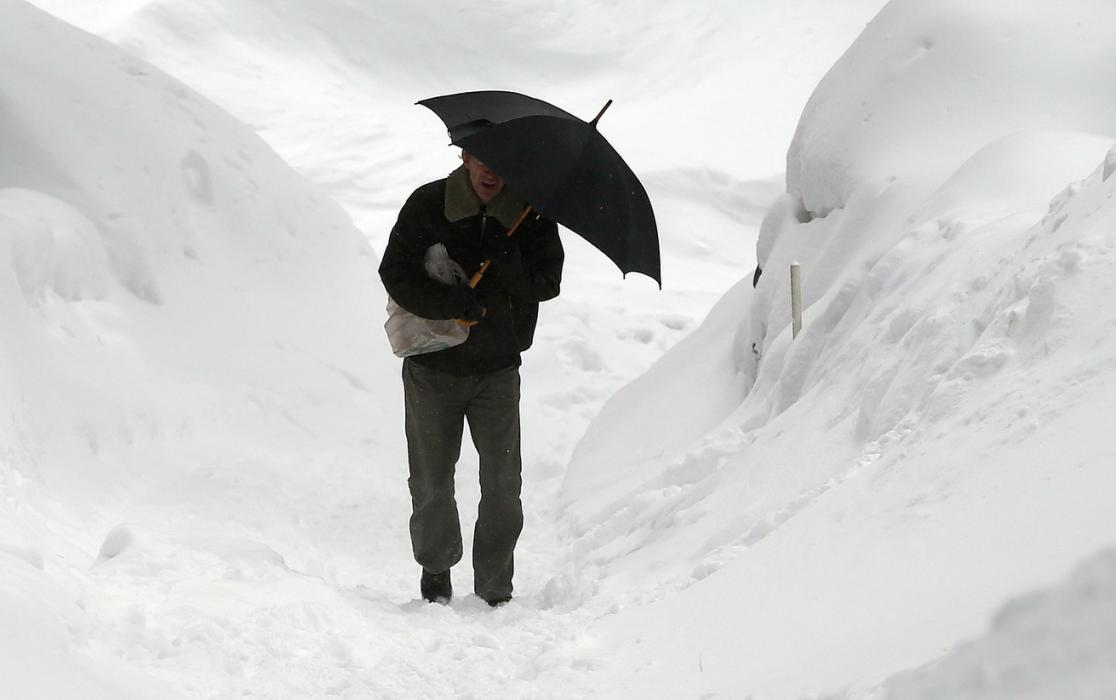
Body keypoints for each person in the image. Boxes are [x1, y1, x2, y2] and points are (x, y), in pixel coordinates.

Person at [378, 152, 564, 606]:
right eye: (481, 159)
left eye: (497, 162)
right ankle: (436, 570)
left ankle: (495, 589)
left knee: (503, 485)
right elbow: (395, 272)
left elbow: (547, 283)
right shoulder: (428, 204)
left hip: (498, 371)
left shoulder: (530, 214)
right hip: (432, 369)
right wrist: (447, 303)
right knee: (432, 481)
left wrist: (509, 261)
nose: (490, 170)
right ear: (464, 157)